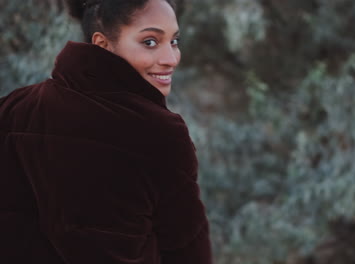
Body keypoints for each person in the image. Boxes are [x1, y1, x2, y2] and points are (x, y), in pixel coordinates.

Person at [0, 0, 213, 263]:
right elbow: (187, 250)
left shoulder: (16, 106)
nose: (171, 59)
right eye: (150, 42)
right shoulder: (160, 133)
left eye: (174, 41)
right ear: (102, 43)